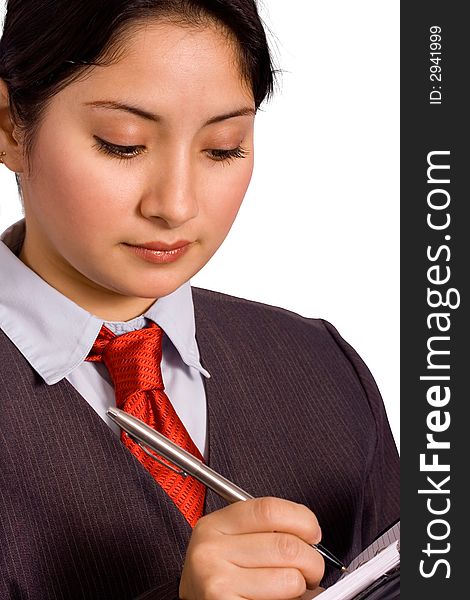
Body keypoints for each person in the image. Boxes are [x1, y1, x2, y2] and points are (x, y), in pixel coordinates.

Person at [0, 1, 399, 599]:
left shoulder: (321, 368)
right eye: (123, 144)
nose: (176, 205)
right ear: (8, 127)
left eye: (222, 147)